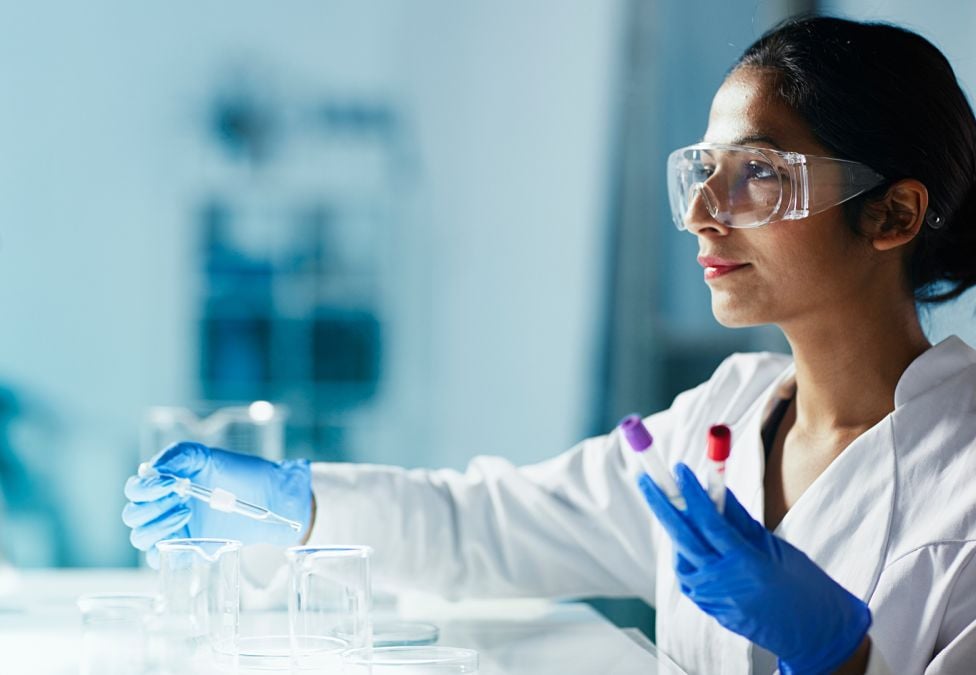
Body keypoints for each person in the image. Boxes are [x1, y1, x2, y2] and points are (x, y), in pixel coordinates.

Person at [122, 16, 976, 675]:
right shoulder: (716, 423)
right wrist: (289, 505)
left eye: (757, 172)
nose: (698, 212)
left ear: (893, 214)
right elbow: (483, 527)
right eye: (702, 170)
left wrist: (843, 657)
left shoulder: (962, 484)